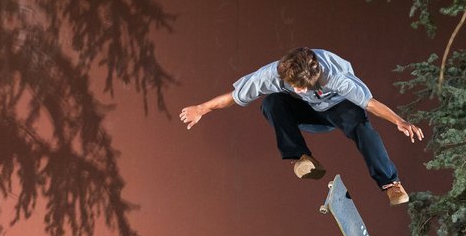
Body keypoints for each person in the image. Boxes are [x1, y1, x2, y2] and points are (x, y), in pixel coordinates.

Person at [179, 47, 424, 206]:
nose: (300, 90)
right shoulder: (271, 75)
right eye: (295, 86)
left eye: (304, 87)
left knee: (360, 125)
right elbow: (234, 97)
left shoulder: (337, 76)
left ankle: (391, 183)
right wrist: (200, 109)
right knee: (272, 102)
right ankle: (302, 158)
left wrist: (399, 121)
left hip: (340, 109)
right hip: (311, 114)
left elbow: (370, 104)